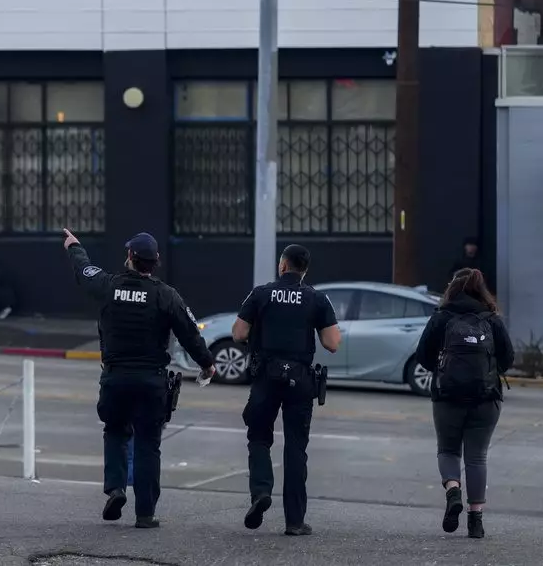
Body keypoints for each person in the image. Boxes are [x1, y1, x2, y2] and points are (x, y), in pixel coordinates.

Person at [64, 228, 216, 529]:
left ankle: (116, 489)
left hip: (115, 379)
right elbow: (189, 333)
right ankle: (145, 513)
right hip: (151, 382)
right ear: (155, 260)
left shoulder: (108, 285)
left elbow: (83, 270)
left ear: (130, 257)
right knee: (148, 445)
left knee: (115, 432)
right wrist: (207, 365)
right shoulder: (166, 295)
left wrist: (74, 246)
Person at [231, 244, 341, 537]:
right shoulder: (317, 298)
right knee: (295, 448)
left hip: (265, 376)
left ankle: (261, 492)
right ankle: (294, 521)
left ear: (282, 266)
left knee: (258, 437)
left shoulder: (261, 294)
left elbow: (239, 333)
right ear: (305, 270)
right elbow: (332, 343)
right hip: (300, 380)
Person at [414, 268, 514, 539]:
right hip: (486, 397)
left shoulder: (441, 317)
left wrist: (443, 369)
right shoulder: (491, 319)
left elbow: (422, 356)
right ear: (481, 290)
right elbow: (508, 358)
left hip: (447, 396)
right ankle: (476, 522)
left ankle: (453, 490)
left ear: (452, 288)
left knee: (448, 450)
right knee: (477, 456)